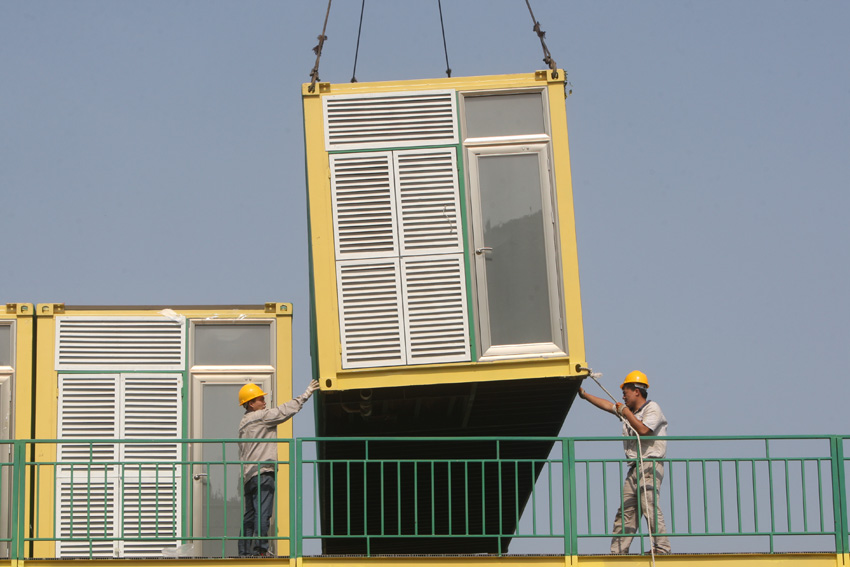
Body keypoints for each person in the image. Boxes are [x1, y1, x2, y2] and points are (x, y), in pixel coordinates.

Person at [578, 370, 671, 555]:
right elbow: (608, 406)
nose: (623, 394)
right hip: (635, 466)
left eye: (626, 390)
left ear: (637, 391)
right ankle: (619, 551)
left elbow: (644, 430)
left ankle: (661, 548)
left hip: (650, 464)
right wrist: (585, 395)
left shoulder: (652, 408)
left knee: (648, 504)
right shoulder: (631, 412)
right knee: (626, 509)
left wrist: (626, 412)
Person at [237, 380, 320, 557]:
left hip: (248, 475)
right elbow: (284, 411)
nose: (264, 401)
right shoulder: (261, 416)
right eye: (260, 399)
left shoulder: (243, 423)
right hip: (263, 472)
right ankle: (260, 550)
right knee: (263, 512)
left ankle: (244, 552)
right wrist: (305, 395)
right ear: (251, 404)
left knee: (249, 516)